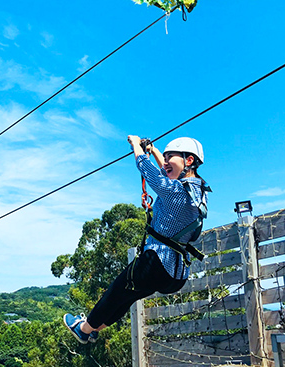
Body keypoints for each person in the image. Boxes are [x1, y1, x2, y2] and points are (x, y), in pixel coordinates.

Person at [63, 135, 211, 344]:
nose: (166, 162)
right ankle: (95, 328)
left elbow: (150, 172)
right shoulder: (199, 192)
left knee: (116, 292)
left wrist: (136, 147)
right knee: (127, 296)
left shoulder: (174, 191)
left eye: (171, 157)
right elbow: (168, 172)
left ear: (188, 161)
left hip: (156, 262)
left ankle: (84, 329)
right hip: (177, 274)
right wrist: (154, 150)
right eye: (165, 157)